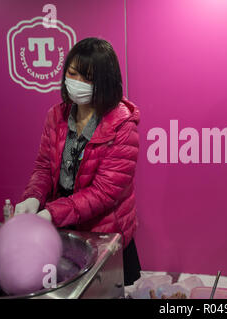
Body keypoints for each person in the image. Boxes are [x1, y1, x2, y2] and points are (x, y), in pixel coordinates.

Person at [14, 38, 141, 286]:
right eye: (72, 74)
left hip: (103, 235)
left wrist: (51, 214)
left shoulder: (123, 127)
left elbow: (104, 193)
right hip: (63, 231)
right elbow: (43, 168)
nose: (77, 83)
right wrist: (33, 198)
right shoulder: (56, 115)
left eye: (87, 78)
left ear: (104, 82)